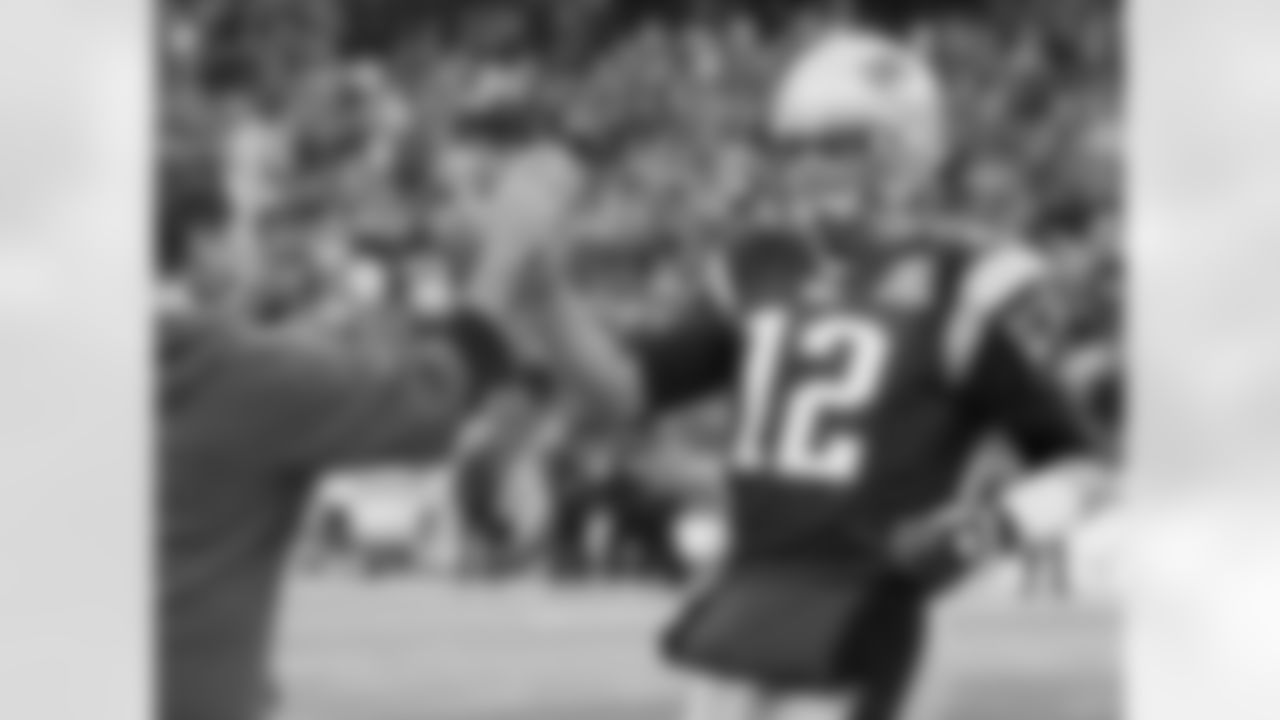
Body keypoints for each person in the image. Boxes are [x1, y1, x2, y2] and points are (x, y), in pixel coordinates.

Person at [550, 29, 1107, 720]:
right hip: (748, 601)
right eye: (799, 147)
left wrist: (982, 531)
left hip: (871, 610)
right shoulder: (759, 265)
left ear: (905, 145)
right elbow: (633, 387)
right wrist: (541, 302)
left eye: (838, 144)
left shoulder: (968, 280)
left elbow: (1083, 469)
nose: (812, 166)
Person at [157, 139, 612, 720]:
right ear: (202, 243)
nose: (257, 245)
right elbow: (433, 398)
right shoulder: (234, 371)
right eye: (246, 226)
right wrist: (507, 248)